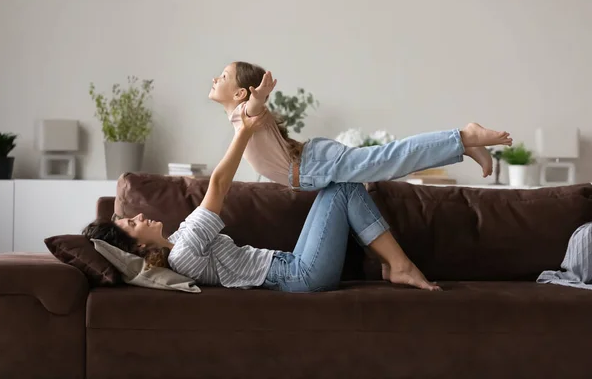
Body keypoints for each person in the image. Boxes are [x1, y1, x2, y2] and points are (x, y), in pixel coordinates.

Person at [83, 107, 441, 292]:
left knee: (342, 184)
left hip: (295, 266)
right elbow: (219, 186)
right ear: (139, 249)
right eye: (132, 224)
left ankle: (392, 263)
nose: (139, 215)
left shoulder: (179, 244)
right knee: (344, 186)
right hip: (300, 275)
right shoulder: (183, 253)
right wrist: (243, 132)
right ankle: (399, 265)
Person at [210, 61, 513, 190]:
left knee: (392, 159)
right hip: (314, 162)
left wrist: (259, 97)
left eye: (223, 76)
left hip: (315, 166)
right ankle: (465, 145)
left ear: (239, 94)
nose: (215, 79)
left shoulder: (242, 114)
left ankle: (464, 136)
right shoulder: (242, 118)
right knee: (388, 163)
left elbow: (252, 107)